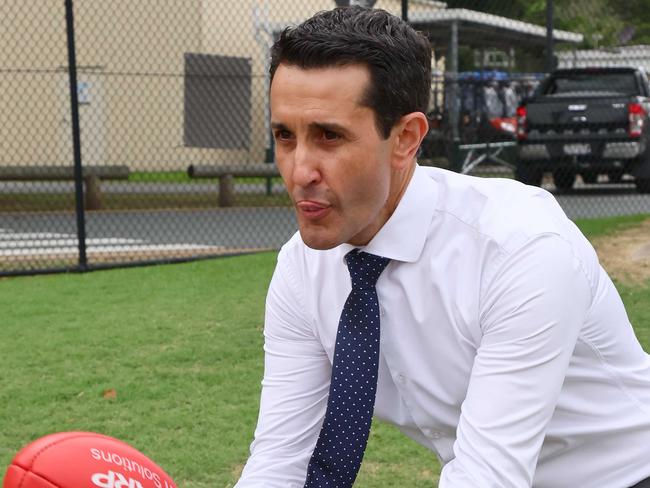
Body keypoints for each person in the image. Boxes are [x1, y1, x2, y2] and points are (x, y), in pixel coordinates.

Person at [235, 6, 650, 488]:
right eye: (285, 135)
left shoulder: (520, 247)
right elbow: (283, 460)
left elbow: (486, 477)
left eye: (329, 136)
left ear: (406, 139)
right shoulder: (302, 266)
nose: (298, 170)